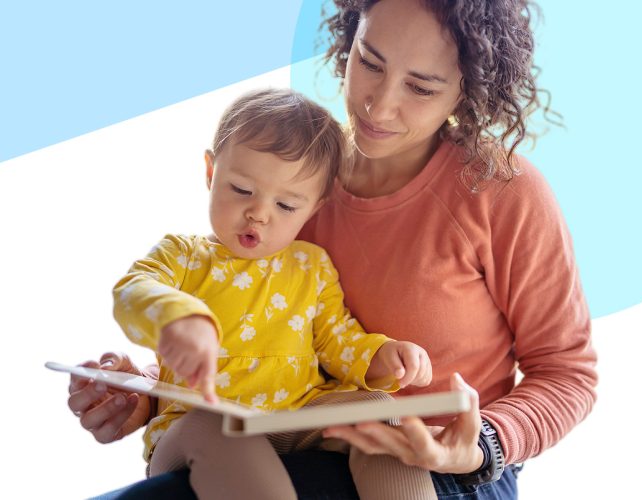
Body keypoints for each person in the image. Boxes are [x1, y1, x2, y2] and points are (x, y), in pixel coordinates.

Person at [68, 1, 597, 498]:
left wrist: (484, 442)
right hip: (298, 434)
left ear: (467, 90)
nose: (380, 103)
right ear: (351, 37)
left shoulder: (502, 191)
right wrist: (143, 393)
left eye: (420, 87)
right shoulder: (296, 181)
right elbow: (252, 329)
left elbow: (568, 374)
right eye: (369, 62)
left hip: (445, 472)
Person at [107, 87, 436, 500]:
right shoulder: (184, 256)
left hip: (297, 414)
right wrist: (177, 318)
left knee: (380, 408)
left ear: (315, 207)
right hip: (197, 425)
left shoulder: (311, 266)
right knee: (215, 426)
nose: (259, 213)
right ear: (211, 172)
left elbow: (338, 339)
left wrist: (381, 357)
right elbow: (132, 289)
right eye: (242, 189)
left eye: (286, 205)